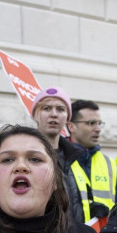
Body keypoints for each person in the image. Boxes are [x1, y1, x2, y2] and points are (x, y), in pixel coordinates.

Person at [31, 86, 88, 224]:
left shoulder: (76, 157)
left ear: (67, 118)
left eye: (60, 109)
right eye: (46, 108)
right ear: (35, 115)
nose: (54, 114)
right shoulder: (25, 156)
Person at [68, 98, 116, 221]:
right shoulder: (58, 160)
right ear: (71, 126)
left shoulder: (109, 163)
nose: (98, 129)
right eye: (91, 123)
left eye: (99, 123)